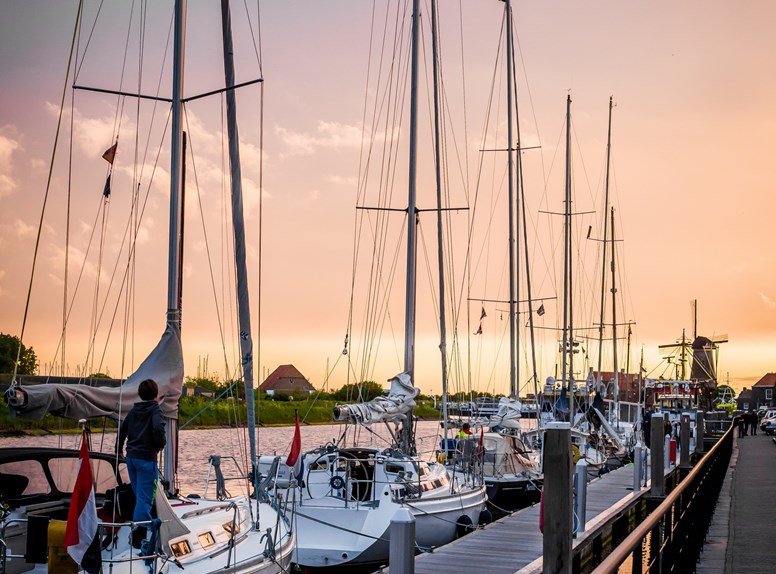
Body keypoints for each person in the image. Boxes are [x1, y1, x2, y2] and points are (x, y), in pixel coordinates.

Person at [117, 379, 166, 549]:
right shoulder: (155, 410)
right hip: (146, 459)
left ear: (139, 394)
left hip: (131, 458)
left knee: (140, 495)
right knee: (145, 499)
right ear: (156, 394)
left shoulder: (133, 410)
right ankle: (143, 535)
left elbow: (123, 429)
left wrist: (118, 449)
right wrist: (160, 445)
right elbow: (158, 429)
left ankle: (139, 530)